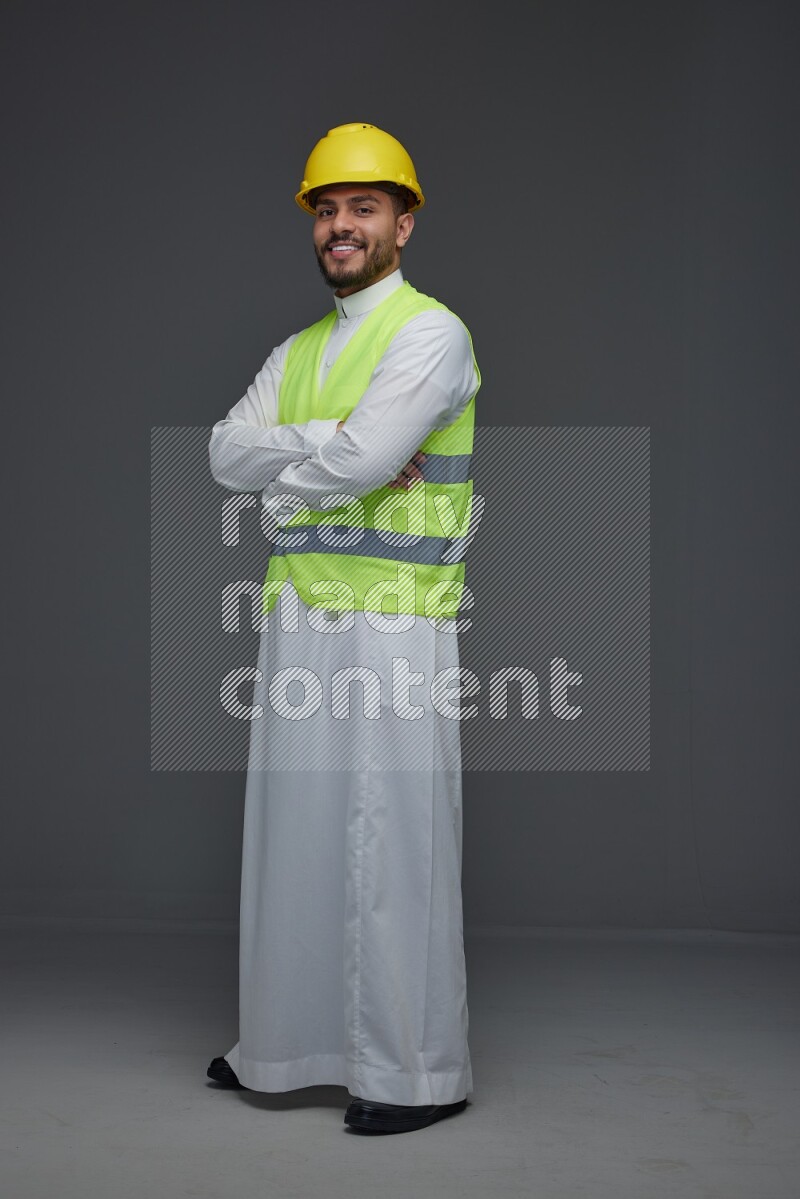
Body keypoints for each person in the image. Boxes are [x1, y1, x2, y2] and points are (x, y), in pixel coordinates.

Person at [206, 122, 481, 1135]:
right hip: (302, 621)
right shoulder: (300, 351)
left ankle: (415, 1072)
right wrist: (323, 442)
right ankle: (278, 1046)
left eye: (363, 207)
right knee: (296, 834)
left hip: (394, 626)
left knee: (389, 842)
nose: (339, 224)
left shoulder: (428, 333)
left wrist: (283, 502)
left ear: (403, 222)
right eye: (325, 208)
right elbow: (223, 451)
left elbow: (364, 464)